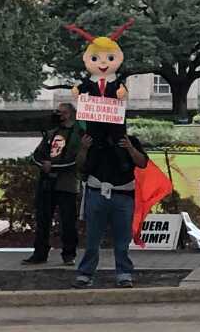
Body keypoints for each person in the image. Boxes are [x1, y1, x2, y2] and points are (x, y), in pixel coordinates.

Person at [73, 110, 148, 289]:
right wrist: (83, 148)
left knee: (122, 239)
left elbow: (142, 163)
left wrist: (129, 148)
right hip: (97, 192)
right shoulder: (92, 143)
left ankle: (124, 273)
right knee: (92, 238)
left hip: (122, 194)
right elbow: (80, 165)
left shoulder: (130, 141)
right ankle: (86, 273)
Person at [23, 103, 83, 266]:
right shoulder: (51, 133)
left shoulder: (78, 134)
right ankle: (40, 253)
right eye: (57, 112)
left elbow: (76, 161)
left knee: (68, 221)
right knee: (43, 220)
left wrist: (52, 166)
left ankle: (69, 254)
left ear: (70, 114)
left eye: (62, 112)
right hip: (47, 184)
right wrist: (44, 164)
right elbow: (36, 155)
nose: (58, 115)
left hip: (67, 184)